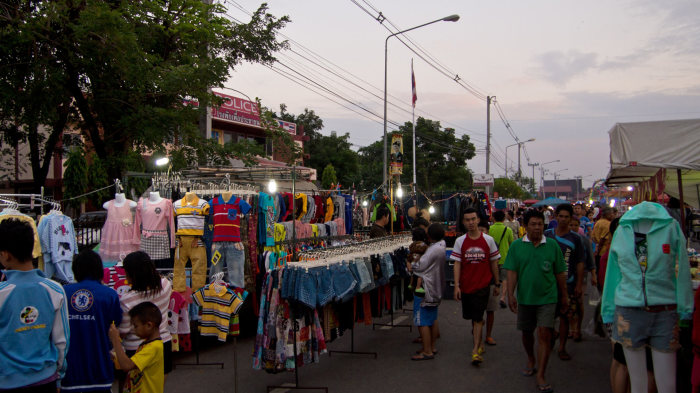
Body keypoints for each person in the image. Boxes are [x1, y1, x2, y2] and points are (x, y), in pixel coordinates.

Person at [0, 218, 70, 391]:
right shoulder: (55, 290)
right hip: (46, 380)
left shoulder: (2, 292)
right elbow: (62, 341)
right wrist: (59, 376)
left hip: (6, 382)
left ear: (6, 254)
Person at [505, 209, 568, 393]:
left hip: (548, 298)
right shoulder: (517, 246)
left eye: (540, 224)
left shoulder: (552, 246)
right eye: (533, 224)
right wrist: (510, 294)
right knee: (526, 334)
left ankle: (541, 373)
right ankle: (531, 358)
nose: (537, 227)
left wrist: (564, 296)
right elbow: (512, 271)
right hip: (525, 298)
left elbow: (560, 273)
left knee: (544, 335)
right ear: (525, 226)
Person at [62, 250, 123, 392]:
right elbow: (116, 323)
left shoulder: (63, 292)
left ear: (75, 270)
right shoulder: (109, 295)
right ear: (98, 269)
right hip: (100, 367)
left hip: (69, 370)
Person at [452, 208, 501, 365]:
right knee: (473, 318)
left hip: (483, 285)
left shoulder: (488, 240)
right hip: (466, 286)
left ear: (478, 220)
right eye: (467, 220)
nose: (471, 222)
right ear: (463, 222)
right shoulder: (460, 241)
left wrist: (497, 282)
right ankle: (479, 343)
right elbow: (457, 264)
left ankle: (475, 351)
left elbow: (494, 262)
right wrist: (456, 286)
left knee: (478, 317)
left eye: (473, 219)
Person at [118, 251, 173, 377]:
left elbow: (124, 330)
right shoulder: (165, 285)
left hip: (136, 350)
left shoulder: (127, 300)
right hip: (163, 344)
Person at [544, 204, 585, 362]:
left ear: (570, 218)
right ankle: (550, 338)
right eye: (560, 216)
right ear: (555, 217)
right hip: (548, 283)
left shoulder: (576, 238)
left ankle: (562, 347)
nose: (562, 219)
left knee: (565, 316)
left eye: (566, 217)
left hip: (568, 283)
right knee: (547, 317)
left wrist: (579, 284)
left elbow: (580, 262)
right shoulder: (547, 235)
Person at [109, 302, 165, 393]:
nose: (134, 330)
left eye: (136, 326)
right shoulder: (147, 344)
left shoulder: (153, 348)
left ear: (149, 325)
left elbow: (127, 366)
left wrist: (115, 339)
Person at [409, 223, 446, 360]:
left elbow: (418, 266)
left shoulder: (432, 250)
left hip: (426, 289)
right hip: (435, 287)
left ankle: (427, 351)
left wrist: (410, 264)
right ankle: (431, 346)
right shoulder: (440, 246)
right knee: (432, 319)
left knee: (423, 322)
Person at [566, 215, 597, 342]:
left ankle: (578, 328)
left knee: (578, 301)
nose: (573, 228)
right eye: (571, 225)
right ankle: (571, 328)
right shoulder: (562, 239)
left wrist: (593, 275)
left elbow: (590, 259)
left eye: (575, 225)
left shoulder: (584, 240)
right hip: (566, 276)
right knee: (568, 304)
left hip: (581, 275)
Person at [489, 210, 514, 313]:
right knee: (504, 279)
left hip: (492, 258)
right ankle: (503, 297)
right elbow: (511, 243)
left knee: (494, 278)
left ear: (493, 218)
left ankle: (493, 295)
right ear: (504, 219)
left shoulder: (490, 229)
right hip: (504, 258)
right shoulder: (508, 230)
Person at [592, 207, 616, 271]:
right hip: (603, 251)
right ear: (607, 214)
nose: (613, 215)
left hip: (597, 250)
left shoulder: (598, 222)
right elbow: (603, 239)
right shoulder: (608, 224)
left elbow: (593, 236)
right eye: (612, 214)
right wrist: (598, 250)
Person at [407, 227, 429, 294]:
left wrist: (408, 264)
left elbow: (409, 256)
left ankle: (411, 284)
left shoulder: (412, 245)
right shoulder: (423, 245)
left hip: (413, 263)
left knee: (413, 275)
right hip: (420, 265)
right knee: (420, 276)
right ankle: (418, 287)